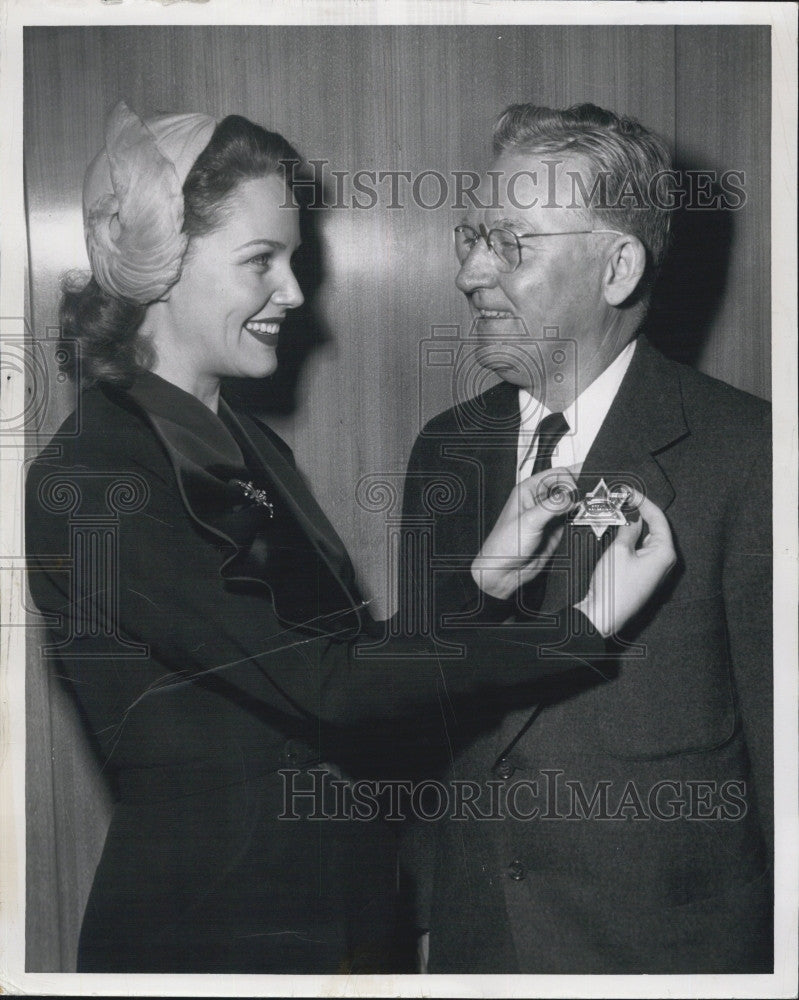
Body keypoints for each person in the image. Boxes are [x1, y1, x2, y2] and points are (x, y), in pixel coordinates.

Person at [24, 101, 676, 974]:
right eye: (262, 260)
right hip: (211, 947)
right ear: (158, 266)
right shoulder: (97, 481)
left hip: (344, 932)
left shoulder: (246, 445)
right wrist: (580, 627)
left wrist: (478, 582)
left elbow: (355, 672)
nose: (295, 292)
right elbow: (324, 688)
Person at [400, 102, 772, 974]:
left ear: (616, 268)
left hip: (667, 958)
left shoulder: (751, 457)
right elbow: (419, 707)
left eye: (511, 243)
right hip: (478, 949)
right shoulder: (442, 451)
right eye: (471, 235)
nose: (470, 271)